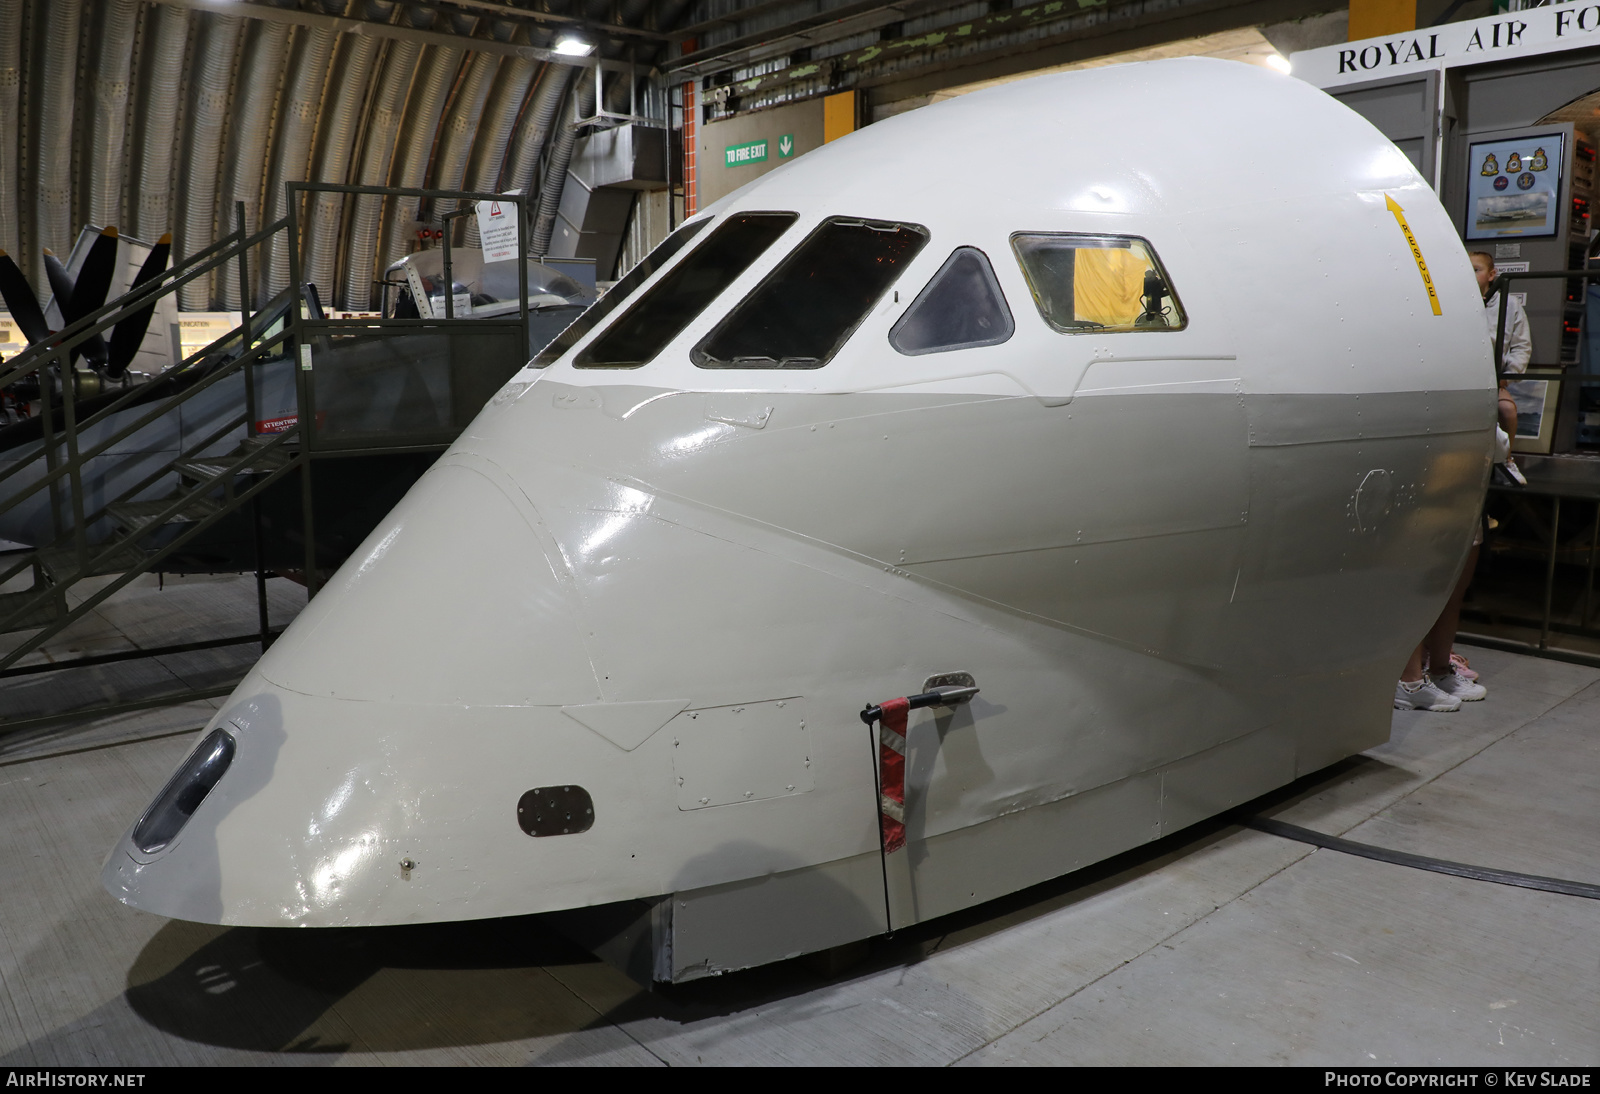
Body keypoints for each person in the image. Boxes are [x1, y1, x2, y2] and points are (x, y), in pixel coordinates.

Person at [1468, 251, 1530, 452]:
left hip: (1494, 380)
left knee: (1507, 410)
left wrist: (1506, 378)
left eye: (1476, 270)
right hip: (1462, 380)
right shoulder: (1455, 304)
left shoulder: (1510, 304)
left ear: (1492, 274)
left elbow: (1522, 345)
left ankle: (1507, 459)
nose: (1470, 275)